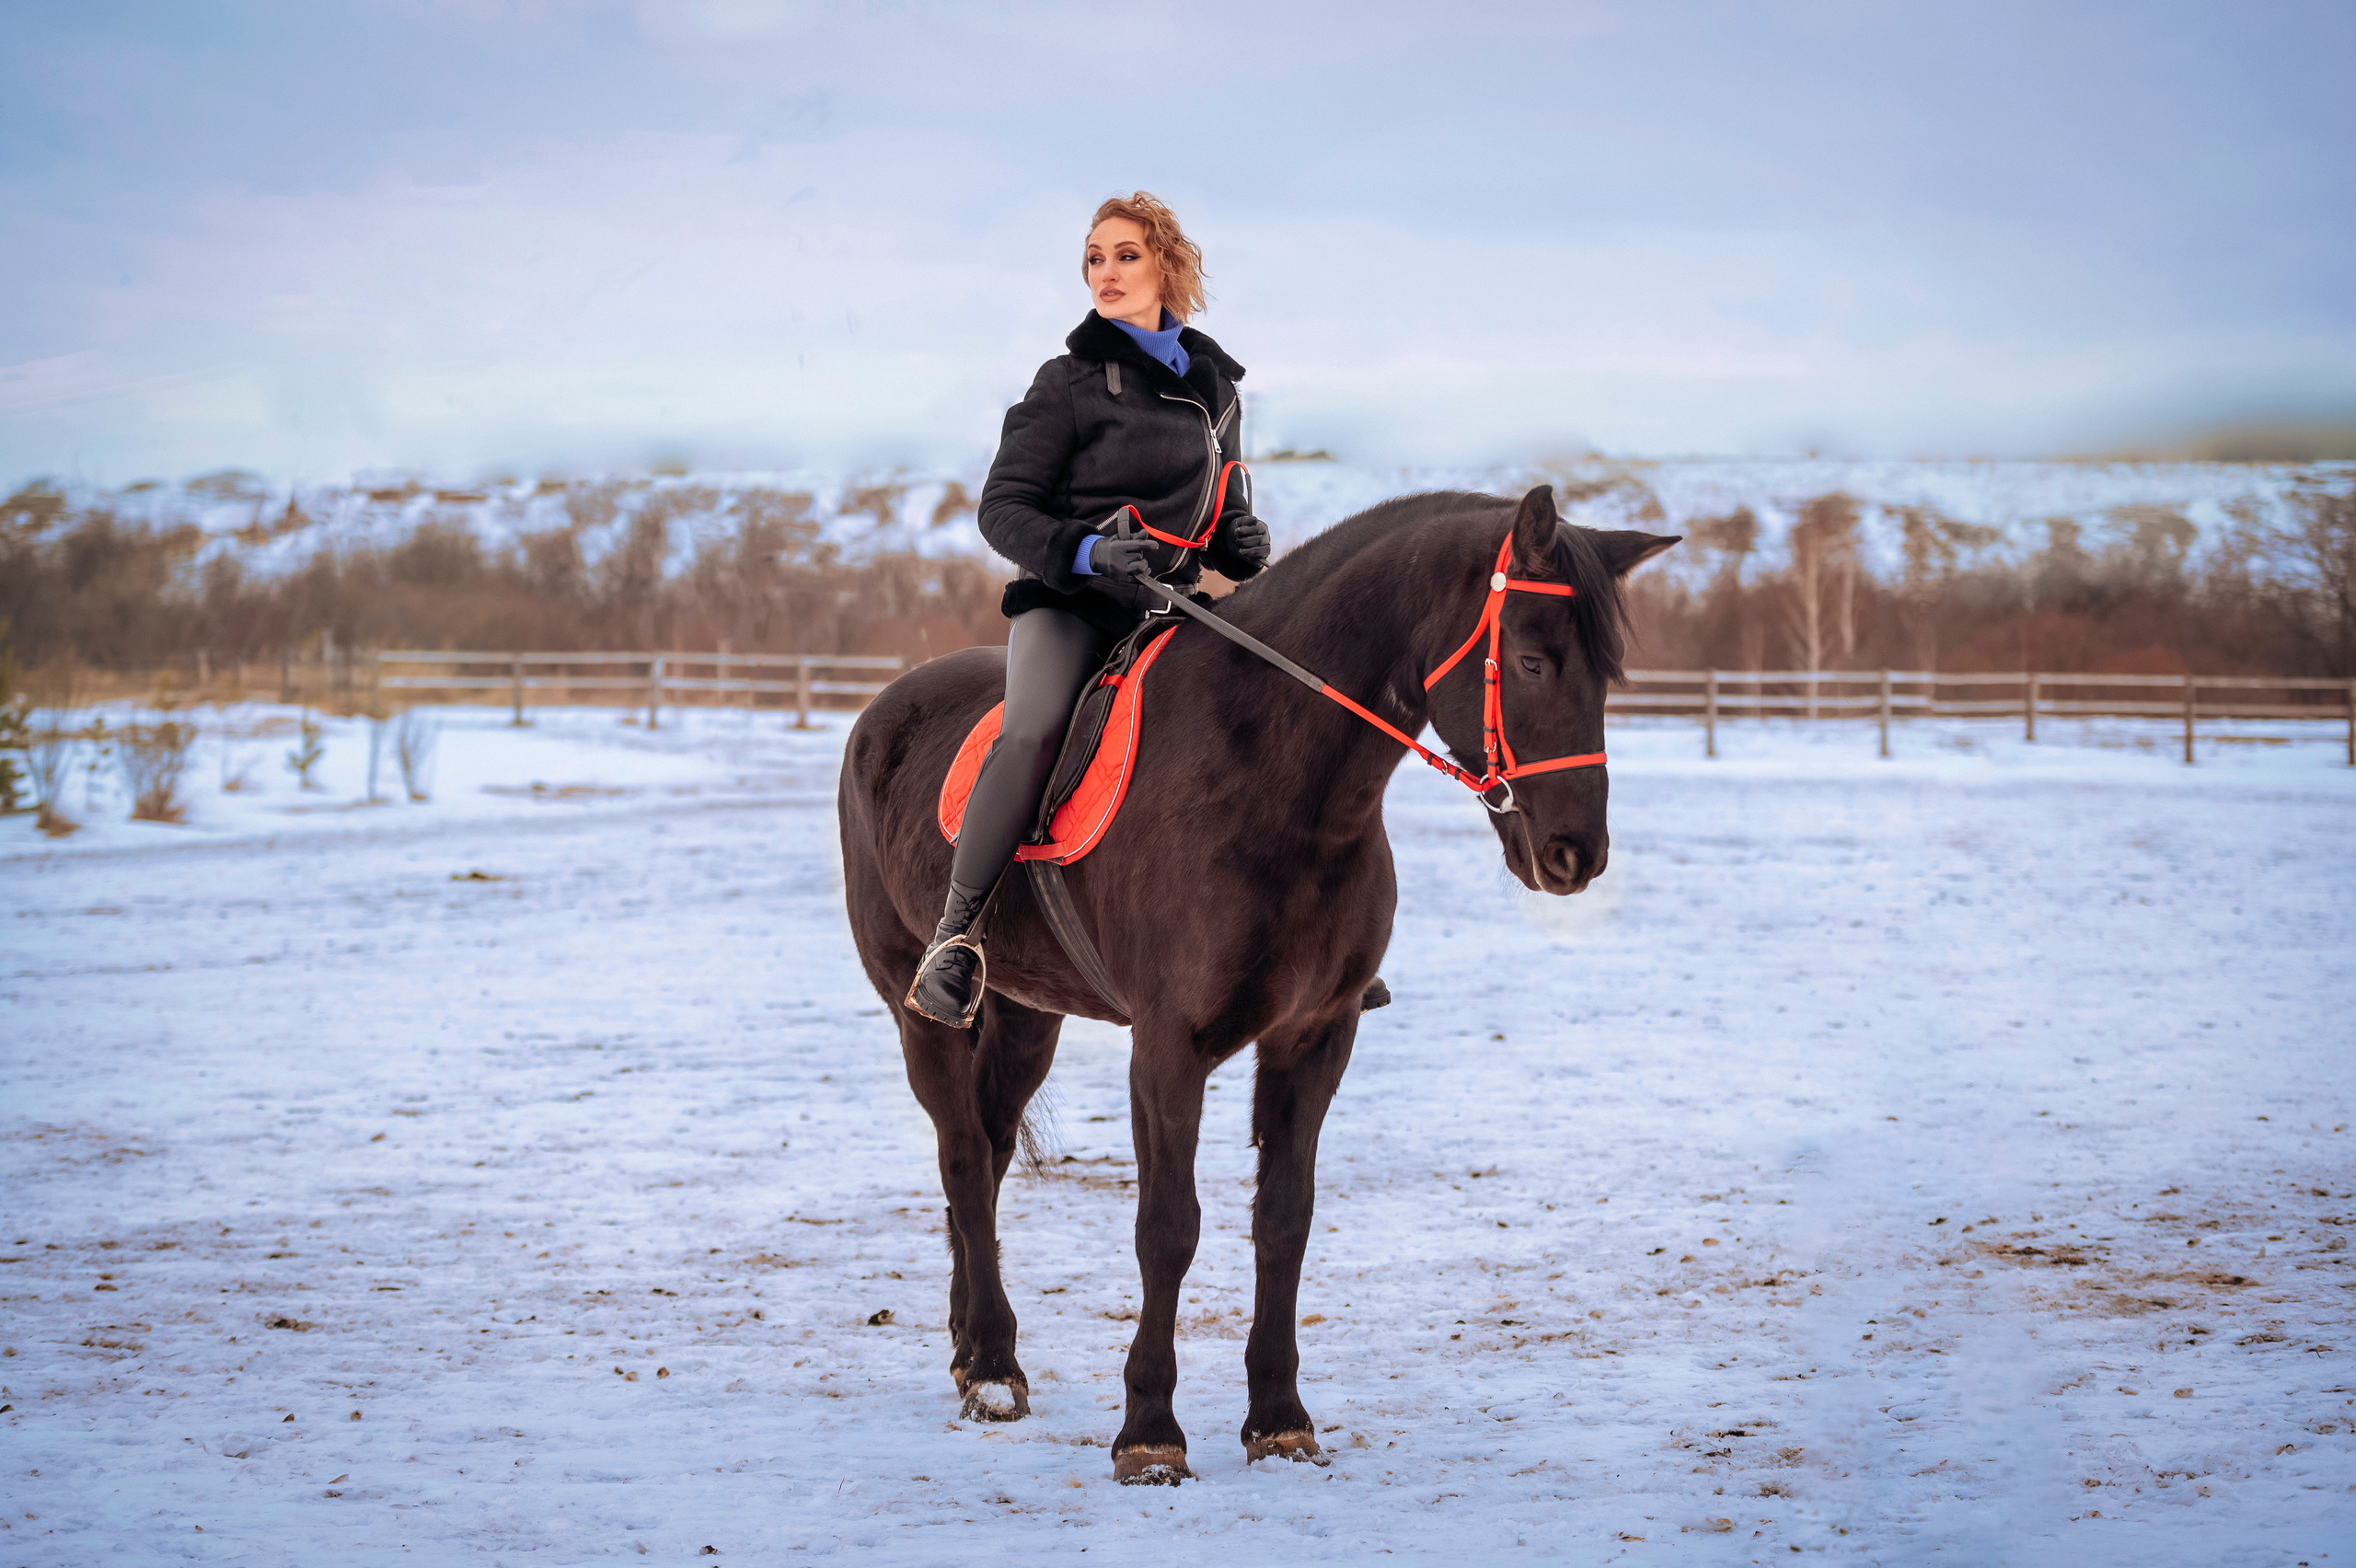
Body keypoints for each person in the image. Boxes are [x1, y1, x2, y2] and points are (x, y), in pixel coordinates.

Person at [905, 191, 1271, 1025]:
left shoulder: (1218, 389)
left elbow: (1222, 511)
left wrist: (1236, 546)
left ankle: (1299, 938)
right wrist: (1087, 551)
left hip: (1171, 609)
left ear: (1167, 265)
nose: (1105, 272)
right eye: (1094, 258)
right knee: (1031, 733)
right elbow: (1001, 508)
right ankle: (954, 941)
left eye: (1125, 255)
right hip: (1071, 604)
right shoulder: (1066, 381)